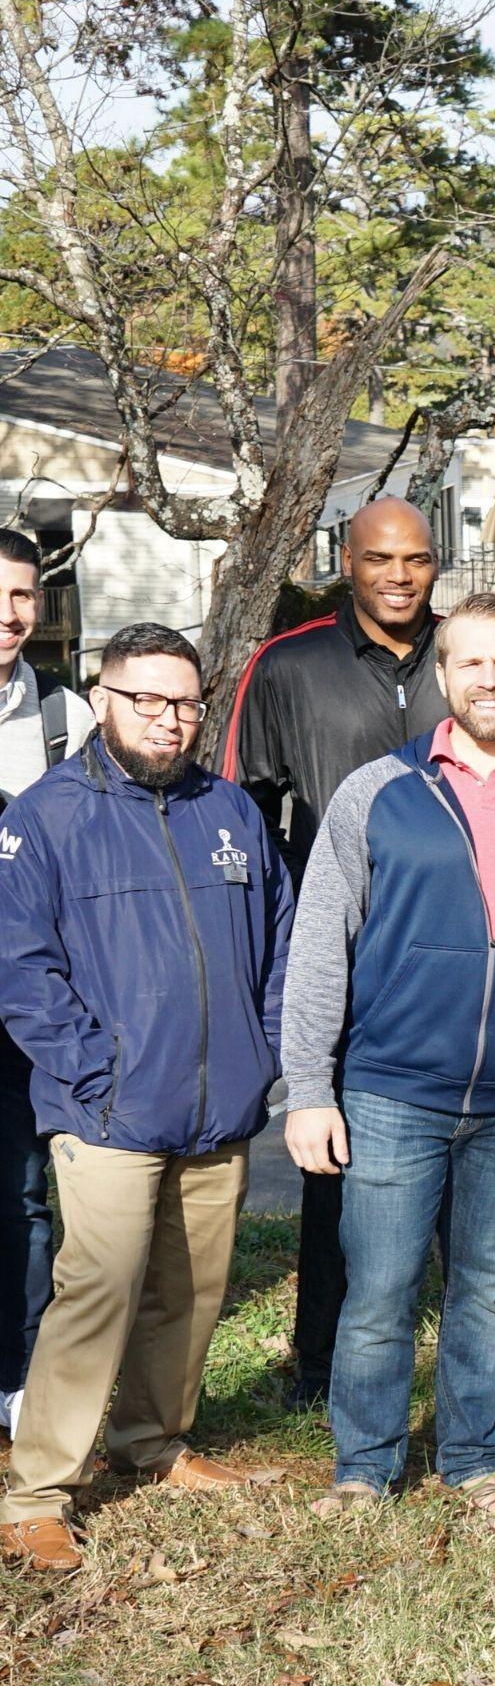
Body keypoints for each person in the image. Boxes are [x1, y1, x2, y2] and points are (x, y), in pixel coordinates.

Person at [280, 593, 495, 1518]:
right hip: (391, 1091)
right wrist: (309, 1088)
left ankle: (471, 1458)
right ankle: (365, 1466)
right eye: (469, 662)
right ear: (442, 675)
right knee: (380, 1292)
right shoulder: (378, 793)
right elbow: (320, 946)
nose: (488, 679)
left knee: (489, 1292)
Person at [0, 625, 291, 1573]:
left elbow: (280, 940)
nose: (170, 720)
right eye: (148, 700)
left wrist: (262, 1054)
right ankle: (38, 1492)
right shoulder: (47, 817)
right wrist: (97, 1076)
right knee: (99, 1290)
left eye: (186, 703)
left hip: (219, 1109)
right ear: (103, 700)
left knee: (193, 1291)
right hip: (108, 1114)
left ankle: (153, 1442)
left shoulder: (229, 809)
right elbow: (22, 972)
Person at [220, 497, 455, 1411]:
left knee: (472, 1150)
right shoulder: (290, 666)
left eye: (416, 559)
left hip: (463, 947)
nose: (399, 576)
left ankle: (485, 1338)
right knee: (334, 1156)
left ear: (436, 564)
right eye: (379, 558)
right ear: (346, 562)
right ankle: (317, 1355)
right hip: (346, 954)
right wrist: (289, 939)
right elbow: (249, 814)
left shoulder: (467, 653)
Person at [0, 528, 93, 1442]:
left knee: (21, 1196)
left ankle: (20, 1376)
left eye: (23, 595)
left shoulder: (67, 720)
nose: (9, 614)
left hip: (26, 1001)